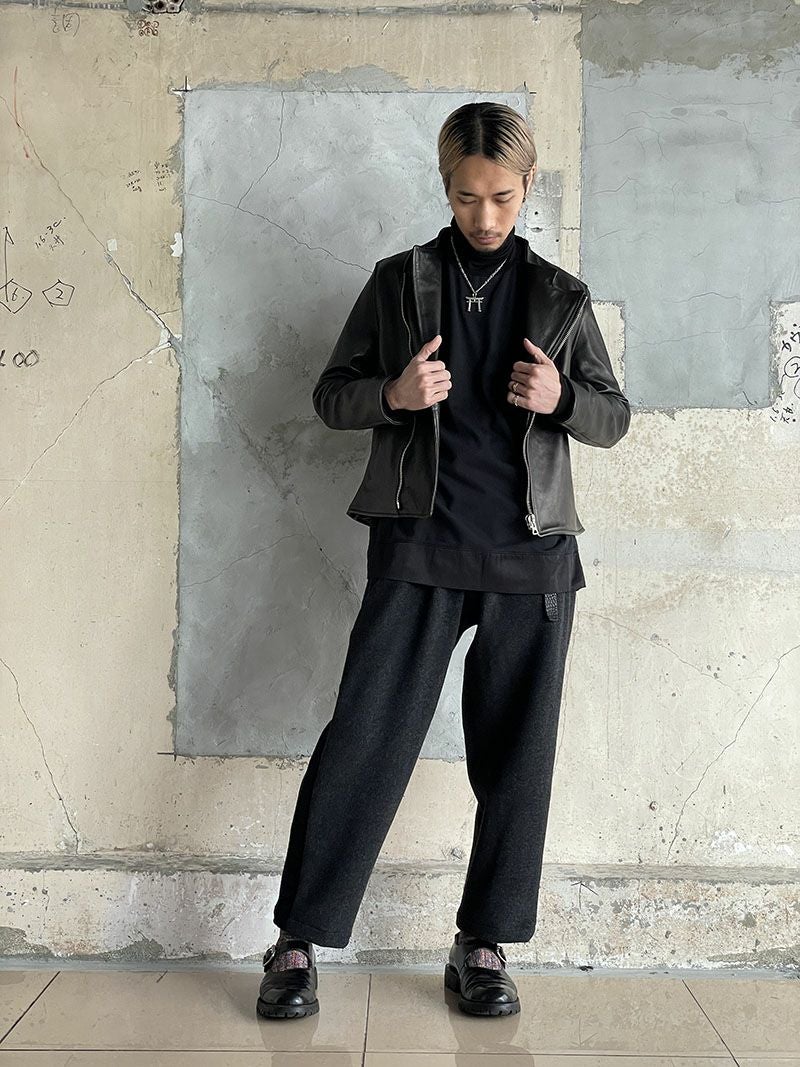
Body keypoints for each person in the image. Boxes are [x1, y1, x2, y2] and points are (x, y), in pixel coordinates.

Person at [256, 101, 630, 1021]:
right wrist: (391, 392)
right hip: (419, 545)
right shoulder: (398, 283)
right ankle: (297, 942)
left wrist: (562, 397)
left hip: (531, 556)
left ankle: (483, 944)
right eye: (466, 197)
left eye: (501, 197)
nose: (485, 216)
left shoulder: (563, 295)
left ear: (527, 186)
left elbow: (613, 416)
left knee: (516, 762)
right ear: (445, 186)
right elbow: (332, 395)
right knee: (364, 742)